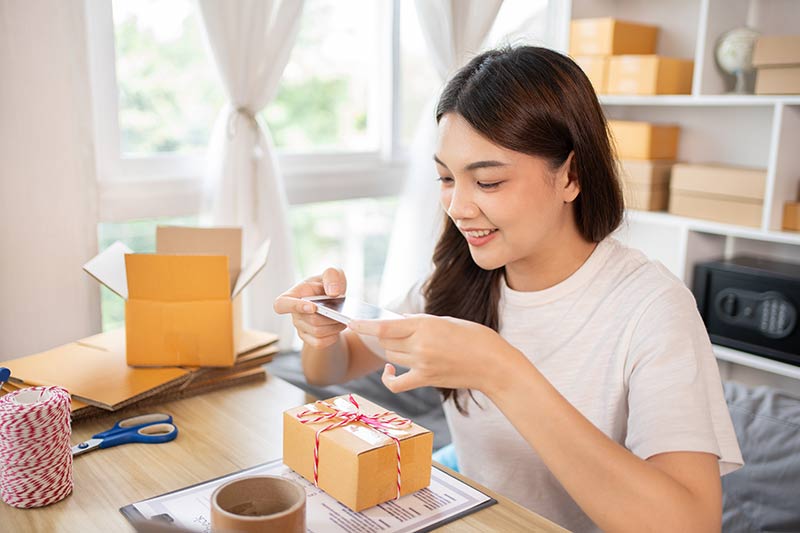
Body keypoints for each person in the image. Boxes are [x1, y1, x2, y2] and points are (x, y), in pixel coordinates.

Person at [274, 45, 742, 532]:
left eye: (489, 182)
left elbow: (692, 523)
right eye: (445, 178)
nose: (457, 207)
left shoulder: (651, 307)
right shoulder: (459, 278)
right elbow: (335, 366)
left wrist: (500, 369)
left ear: (571, 175)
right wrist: (320, 331)